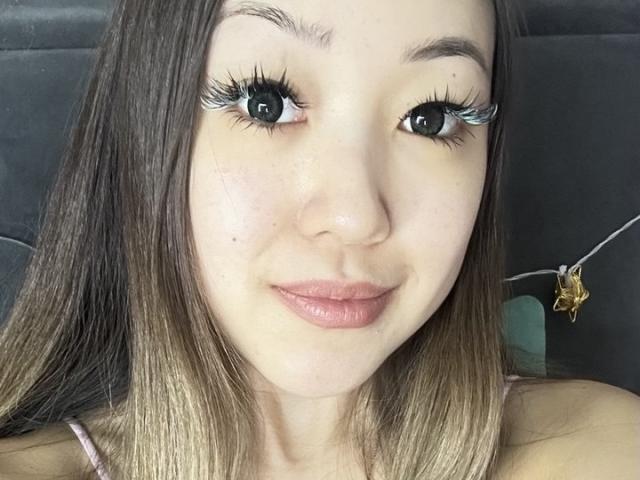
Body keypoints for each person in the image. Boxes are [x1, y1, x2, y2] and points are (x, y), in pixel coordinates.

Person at [0, 0, 639, 479]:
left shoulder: (598, 450)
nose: (356, 217)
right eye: (267, 102)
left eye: (431, 117)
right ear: (148, 128)